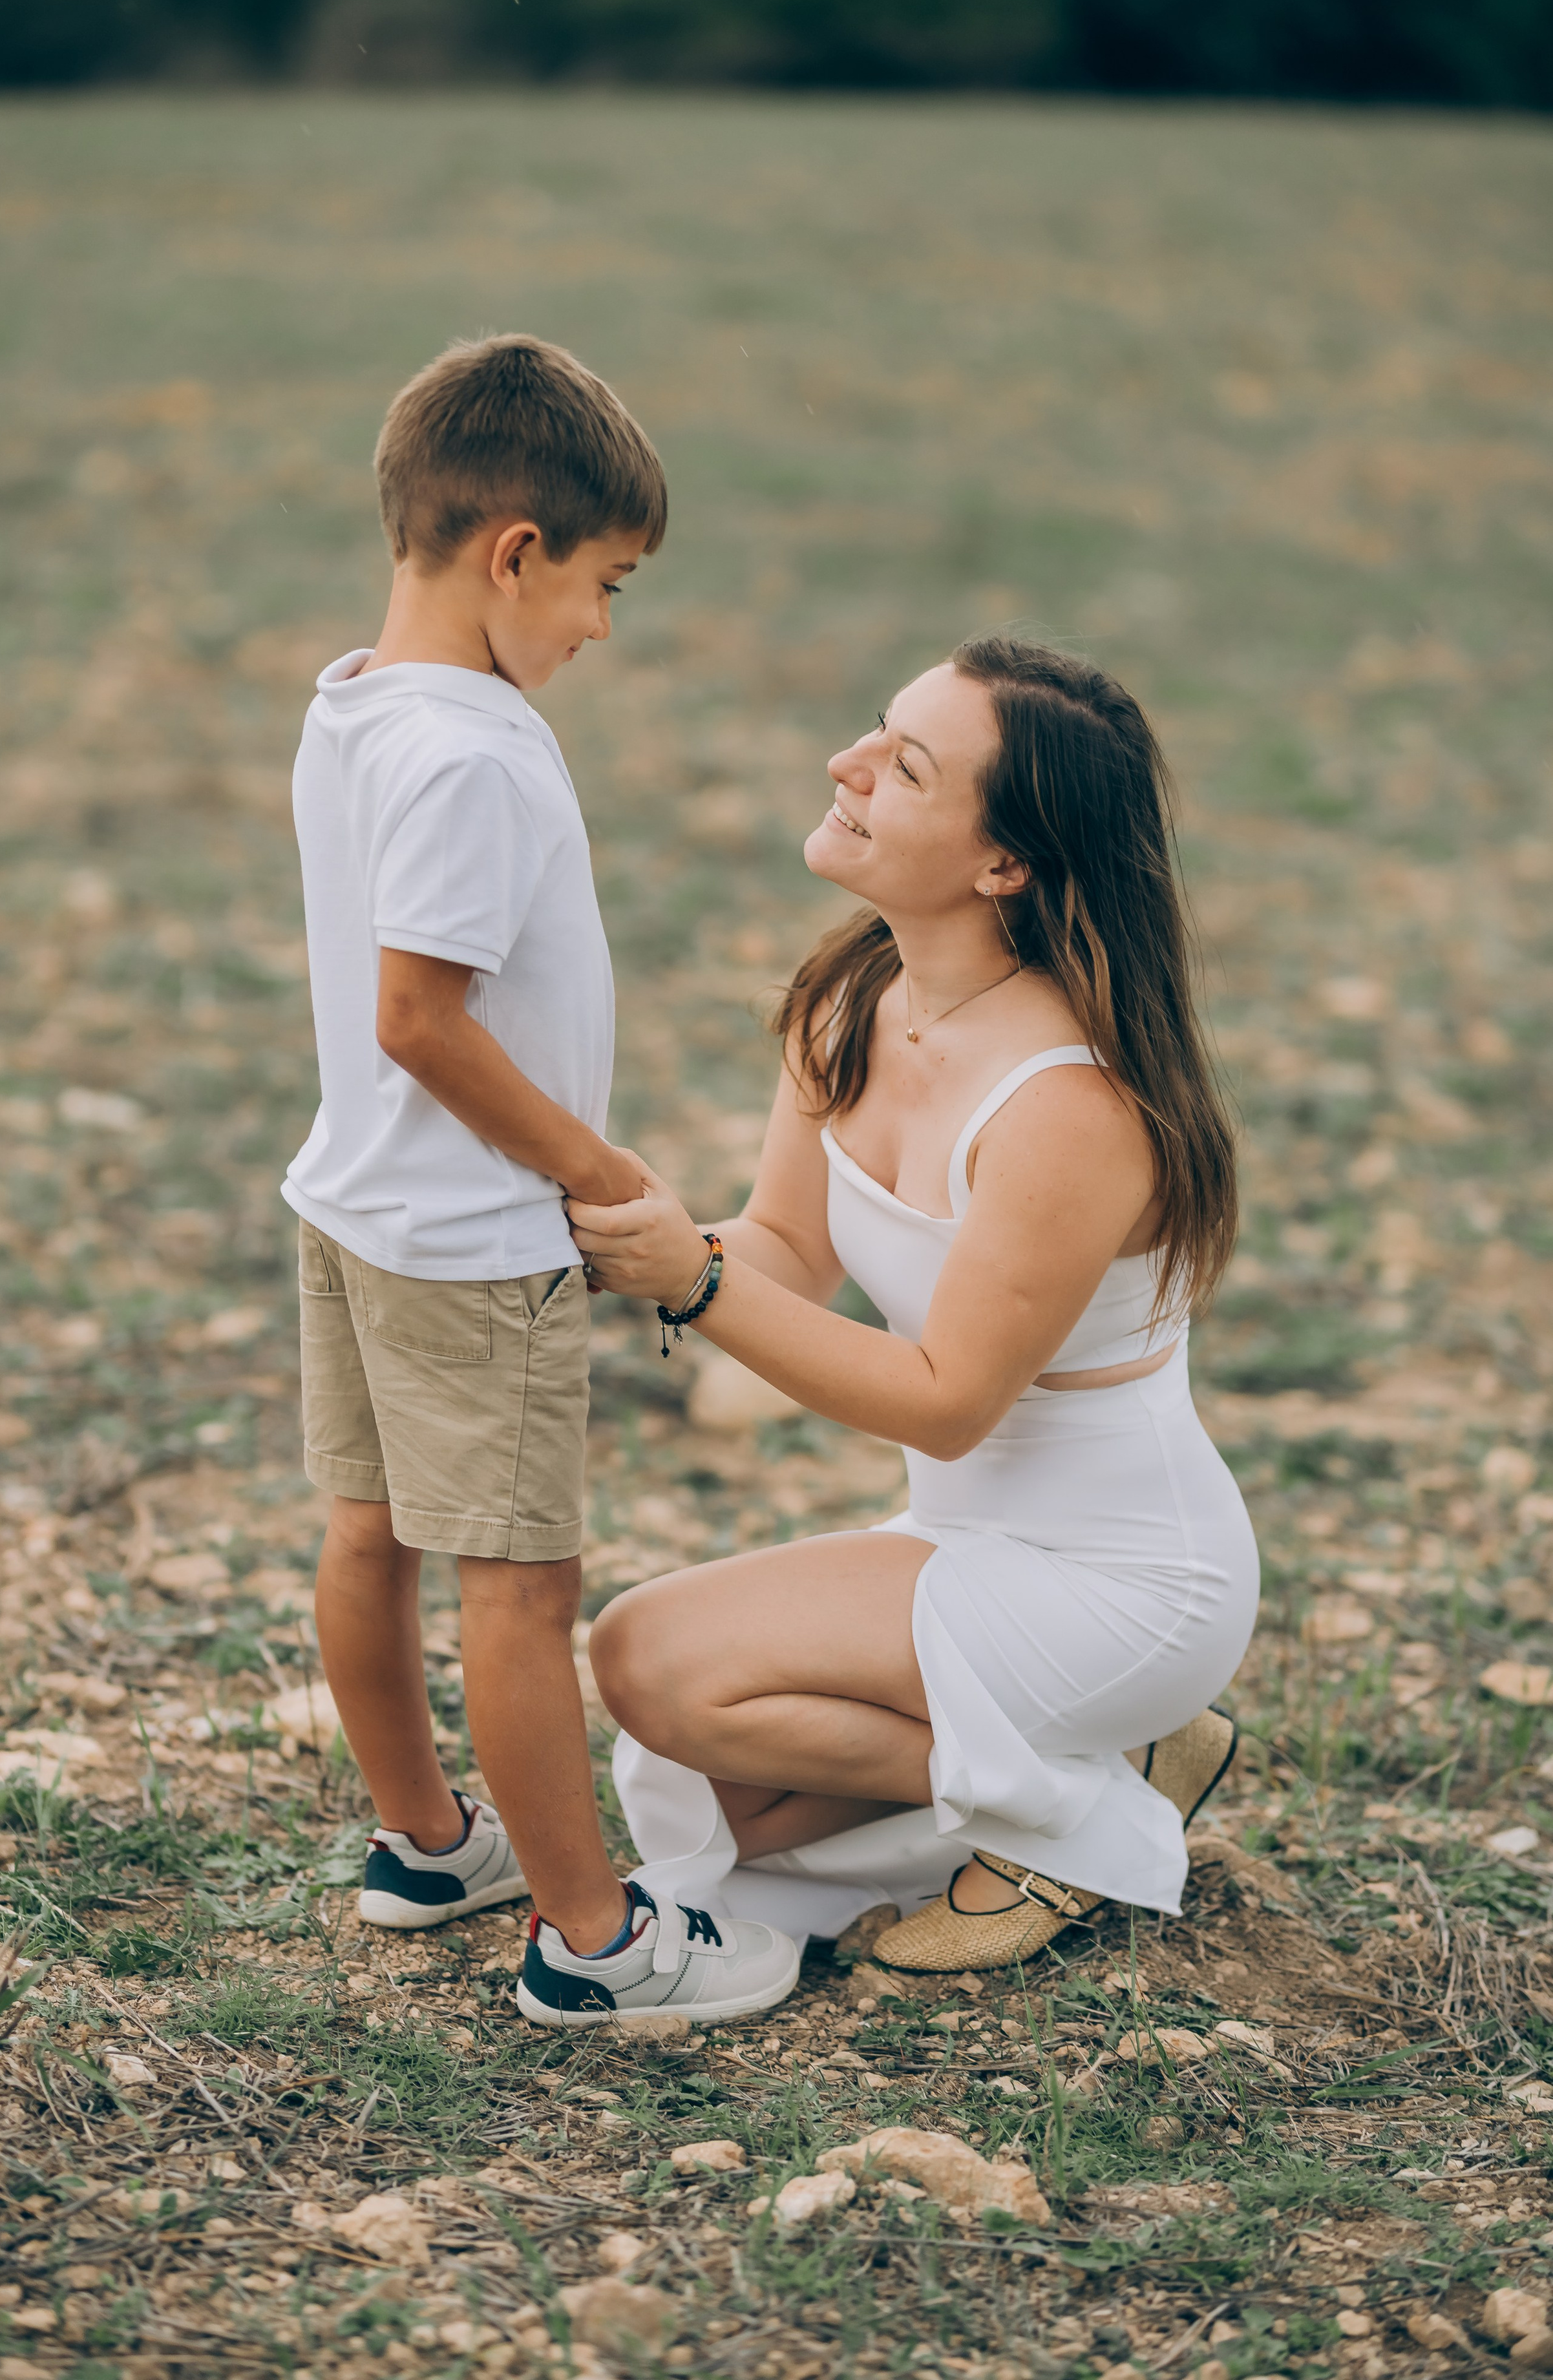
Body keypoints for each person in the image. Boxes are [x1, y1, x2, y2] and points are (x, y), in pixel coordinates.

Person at [569, 638, 1259, 1971]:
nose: (848, 766)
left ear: (1001, 862)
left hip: (1122, 1581)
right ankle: (1096, 1757)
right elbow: (779, 1246)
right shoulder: (854, 997)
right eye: (873, 733)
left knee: (647, 1660)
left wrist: (690, 1284)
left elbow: (946, 1403)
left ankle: (1075, 1817)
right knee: (715, 1798)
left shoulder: (1066, 1104)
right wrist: (604, 1237)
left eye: (904, 765)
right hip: (963, 1549)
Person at [282, 333, 799, 2026]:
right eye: (606, 587)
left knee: (368, 1536)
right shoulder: (478, 753)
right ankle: (594, 1941)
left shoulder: (357, 701)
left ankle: (429, 1844)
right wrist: (598, 1169)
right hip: (468, 1233)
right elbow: (422, 1019)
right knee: (519, 1585)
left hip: (354, 1204)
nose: (596, 629)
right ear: (515, 552)